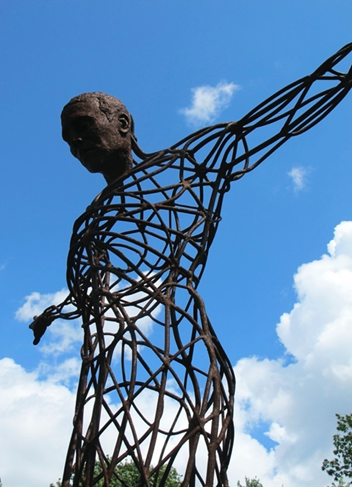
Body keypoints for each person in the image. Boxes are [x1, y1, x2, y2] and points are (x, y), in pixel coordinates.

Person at [30, 44, 352, 487]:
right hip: (103, 386)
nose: (76, 144)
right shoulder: (86, 226)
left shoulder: (188, 170)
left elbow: (273, 120)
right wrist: (55, 313)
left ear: (123, 125)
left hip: (183, 364)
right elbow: (90, 294)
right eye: (68, 141)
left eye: (83, 128)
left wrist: (342, 72)